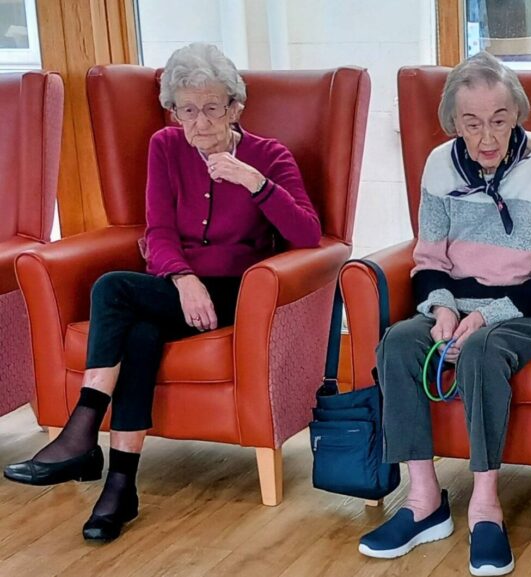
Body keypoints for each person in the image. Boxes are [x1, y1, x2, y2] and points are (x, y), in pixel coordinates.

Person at [3, 42, 321, 542]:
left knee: (111, 288)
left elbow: (307, 234)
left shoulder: (267, 156)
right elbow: (160, 230)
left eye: (212, 108)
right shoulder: (165, 146)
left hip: (238, 294)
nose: (198, 122)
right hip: (176, 291)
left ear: (236, 106)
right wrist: (181, 277)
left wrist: (255, 183)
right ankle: (121, 487)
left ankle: (83, 430)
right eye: (185, 110)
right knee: (142, 335)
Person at [357, 51, 531, 577]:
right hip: (457, 302)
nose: (486, 137)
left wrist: (488, 316)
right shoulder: (438, 164)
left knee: (481, 349)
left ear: (517, 116)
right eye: (472, 123)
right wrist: (441, 310)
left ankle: (484, 507)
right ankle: (424, 501)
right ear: (453, 123)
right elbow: (430, 259)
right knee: (397, 342)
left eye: (499, 121)